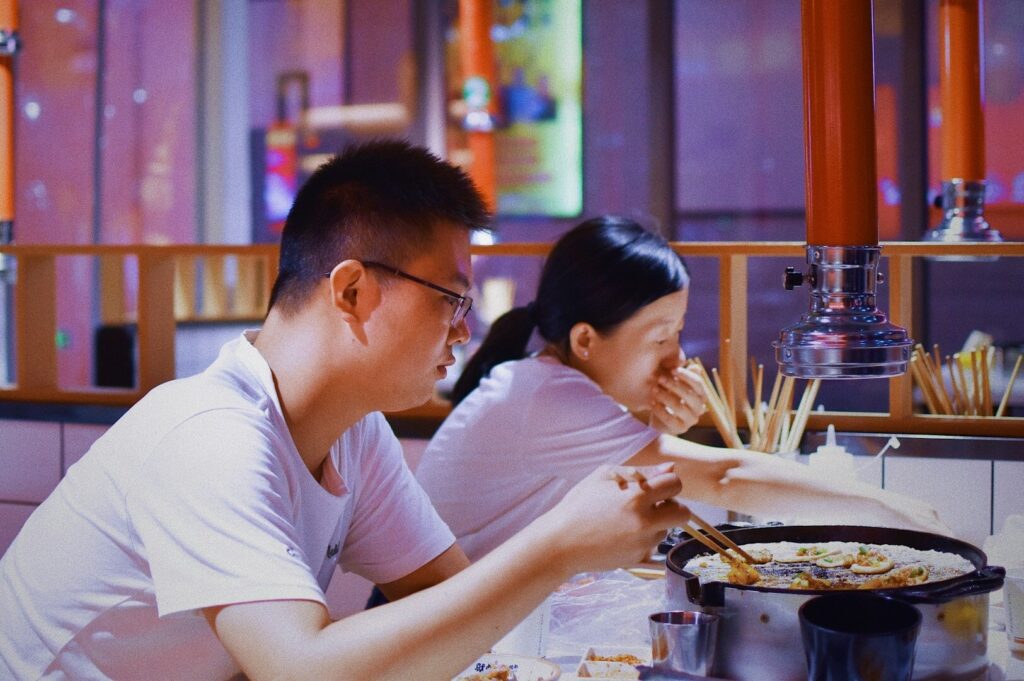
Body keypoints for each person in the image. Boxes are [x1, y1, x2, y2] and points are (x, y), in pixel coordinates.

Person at [0, 142, 691, 681]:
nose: (464, 328)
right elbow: (303, 668)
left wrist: (571, 564)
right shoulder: (209, 435)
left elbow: (452, 599)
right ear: (354, 289)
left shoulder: (355, 432)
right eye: (451, 298)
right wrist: (560, 543)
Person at [416, 216, 949, 563]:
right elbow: (726, 475)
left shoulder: (544, 385)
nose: (676, 357)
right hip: (419, 631)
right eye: (660, 337)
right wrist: (891, 508)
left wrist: (657, 430)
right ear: (585, 340)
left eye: (679, 332)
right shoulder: (546, 398)